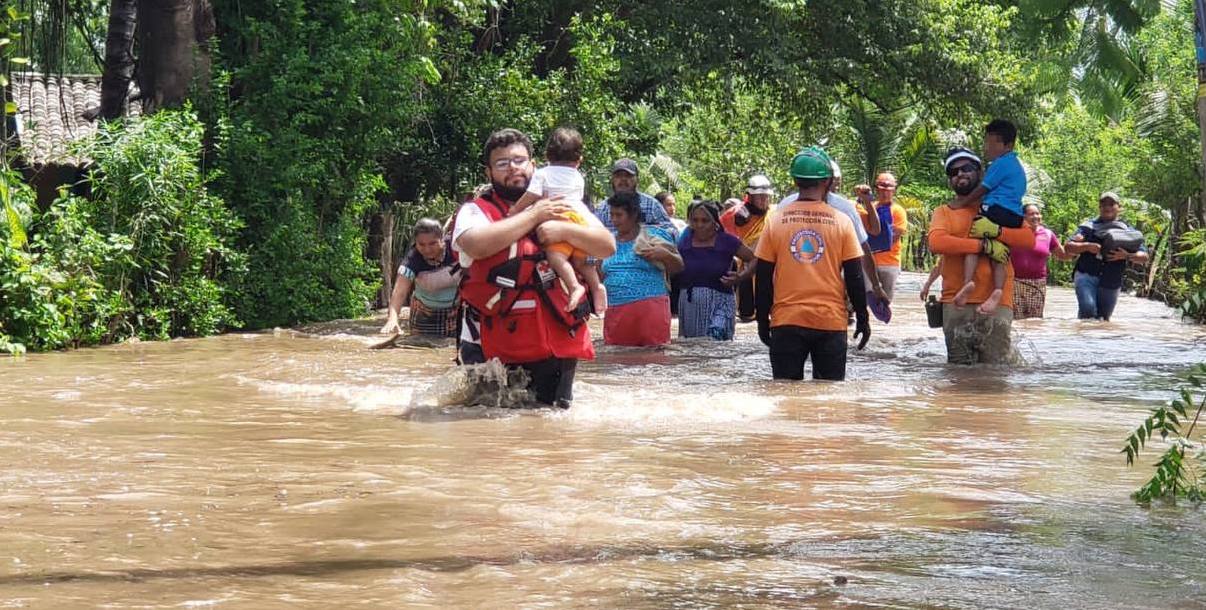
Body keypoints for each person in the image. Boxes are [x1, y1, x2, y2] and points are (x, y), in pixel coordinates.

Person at [453, 128, 616, 408]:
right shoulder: (475, 210)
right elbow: (475, 245)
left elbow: (606, 246)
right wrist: (534, 216)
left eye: (519, 160)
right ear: (488, 172)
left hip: (556, 339)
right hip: (490, 340)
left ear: (534, 165)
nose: (512, 168)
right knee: (484, 425)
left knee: (553, 424)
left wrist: (564, 230)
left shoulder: (563, 204)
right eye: (502, 163)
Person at [754, 147, 869, 381]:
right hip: (830, 322)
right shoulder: (842, 222)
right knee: (829, 395)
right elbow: (855, 276)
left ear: (795, 180)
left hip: (786, 320)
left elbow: (763, 276)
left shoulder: (776, 220)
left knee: (785, 392)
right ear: (827, 181)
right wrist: (863, 318)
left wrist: (762, 321)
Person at [928, 147, 1036, 365]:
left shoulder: (1000, 208)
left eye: (966, 168)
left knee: (996, 374)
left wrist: (998, 232)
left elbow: (1028, 240)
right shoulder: (944, 211)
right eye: (953, 172)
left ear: (981, 173)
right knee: (958, 373)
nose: (960, 174)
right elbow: (936, 243)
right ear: (950, 180)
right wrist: (983, 246)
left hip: (998, 304)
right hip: (955, 302)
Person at [508, 127, 605, 313]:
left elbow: (532, 195)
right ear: (579, 160)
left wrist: (515, 210)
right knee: (582, 263)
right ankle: (597, 286)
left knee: (556, 258)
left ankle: (574, 286)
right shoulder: (578, 176)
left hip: (560, 220)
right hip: (580, 221)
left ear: (547, 155)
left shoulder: (543, 173)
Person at [777, 160, 891, 313]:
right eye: (832, 181)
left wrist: (876, 287)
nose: (834, 185)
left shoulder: (846, 208)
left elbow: (868, 242)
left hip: (831, 288)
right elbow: (772, 254)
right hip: (794, 289)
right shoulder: (785, 206)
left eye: (837, 181)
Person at [953, 119, 1028, 314]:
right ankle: (998, 290)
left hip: (995, 209)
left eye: (991, 142)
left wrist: (962, 203)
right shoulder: (1017, 166)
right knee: (999, 254)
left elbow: (982, 188)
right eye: (986, 141)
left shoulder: (1000, 163)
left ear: (1008, 145)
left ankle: (967, 282)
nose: (986, 147)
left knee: (973, 242)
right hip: (1014, 215)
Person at [600, 191, 684, 346]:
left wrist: (664, 254)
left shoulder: (654, 236)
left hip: (650, 309)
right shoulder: (607, 240)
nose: (614, 220)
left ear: (633, 215)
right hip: (615, 309)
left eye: (619, 215)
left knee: (653, 357)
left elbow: (678, 266)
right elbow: (599, 274)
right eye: (612, 215)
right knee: (616, 356)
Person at [676, 200, 757, 340]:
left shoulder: (727, 241)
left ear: (715, 223)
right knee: (694, 346)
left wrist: (741, 277)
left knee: (716, 340)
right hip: (690, 304)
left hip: (721, 302)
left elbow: (755, 259)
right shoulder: (684, 242)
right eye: (695, 220)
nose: (699, 225)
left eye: (705, 221)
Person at [1064, 192, 1149, 321]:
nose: (1107, 207)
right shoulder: (1087, 228)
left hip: (1111, 279)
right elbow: (1068, 247)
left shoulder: (1128, 232)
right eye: (1104, 204)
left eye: (1111, 204)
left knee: (1103, 318)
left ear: (1119, 207)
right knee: (1088, 310)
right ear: (1099, 208)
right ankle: (1081, 332)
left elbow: (1144, 257)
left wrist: (1127, 255)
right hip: (1086, 275)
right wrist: (1087, 246)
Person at [380, 218, 462, 337]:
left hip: (458, 310)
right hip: (424, 314)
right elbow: (399, 292)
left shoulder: (458, 248)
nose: (427, 249)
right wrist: (392, 319)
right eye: (421, 244)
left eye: (432, 243)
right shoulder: (413, 259)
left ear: (442, 239)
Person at [721, 175, 775, 322]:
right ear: (750, 197)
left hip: (769, 262)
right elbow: (720, 231)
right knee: (746, 311)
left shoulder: (774, 213)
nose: (764, 200)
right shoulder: (735, 214)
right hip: (745, 263)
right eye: (760, 197)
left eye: (766, 197)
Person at [1011, 203, 1070, 319]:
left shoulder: (1048, 234)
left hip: (1038, 284)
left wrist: (1076, 248)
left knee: (1035, 321)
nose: (1036, 217)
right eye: (1031, 214)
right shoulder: (1013, 232)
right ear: (1023, 216)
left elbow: (1062, 255)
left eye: (1037, 213)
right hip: (1015, 282)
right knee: (1016, 319)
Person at [856, 172, 908, 302]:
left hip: (889, 263)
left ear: (894, 190)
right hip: (869, 263)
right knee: (866, 299)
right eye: (882, 189)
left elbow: (894, 237)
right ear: (877, 190)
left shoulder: (898, 211)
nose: (885, 193)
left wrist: (873, 238)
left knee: (885, 301)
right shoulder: (870, 207)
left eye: (888, 190)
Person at [594, 159, 675, 234]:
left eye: (628, 176)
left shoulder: (652, 206)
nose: (623, 179)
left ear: (637, 179)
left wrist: (647, 233)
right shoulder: (602, 209)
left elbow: (672, 232)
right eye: (618, 176)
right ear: (612, 180)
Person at [657, 190, 688, 316]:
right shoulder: (652, 225)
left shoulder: (680, 224)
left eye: (674, 204)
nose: (672, 208)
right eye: (668, 204)